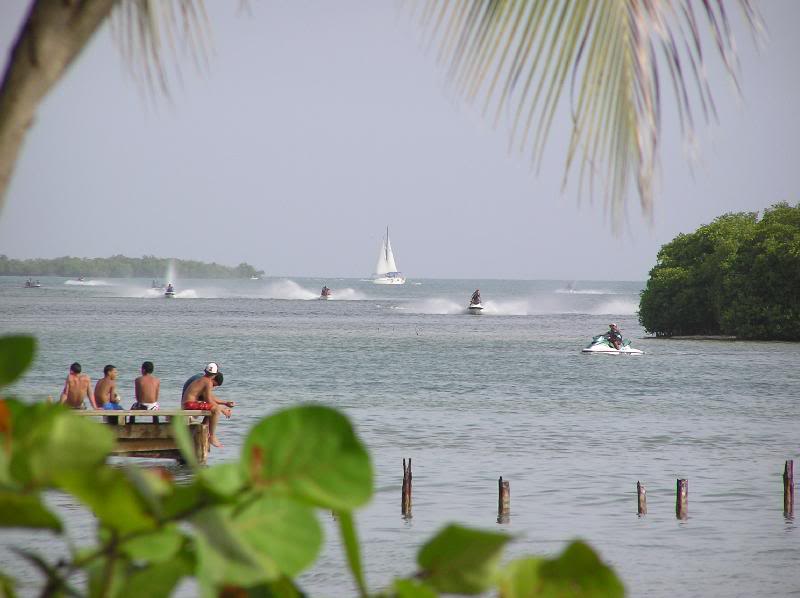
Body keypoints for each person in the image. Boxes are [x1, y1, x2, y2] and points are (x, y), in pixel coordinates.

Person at [182, 362, 233, 449]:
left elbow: (209, 399)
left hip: (188, 403)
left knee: (213, 409)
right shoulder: (208, 382)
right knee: (215, 410)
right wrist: (222, 409)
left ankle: (205, 428)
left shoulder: (203, 379)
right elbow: (209, 400)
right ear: (215, 374)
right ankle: (212, 436)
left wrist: (224, 404)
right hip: (190, 405)